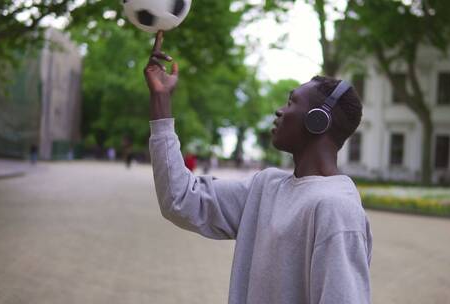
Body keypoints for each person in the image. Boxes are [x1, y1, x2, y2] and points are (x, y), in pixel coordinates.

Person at [145, 31, 372, 304]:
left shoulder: (337, 210)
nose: (279, 111)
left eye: (291, 102)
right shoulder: (265, 188)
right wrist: (161, 102)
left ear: (317, 121)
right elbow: (178, 198)